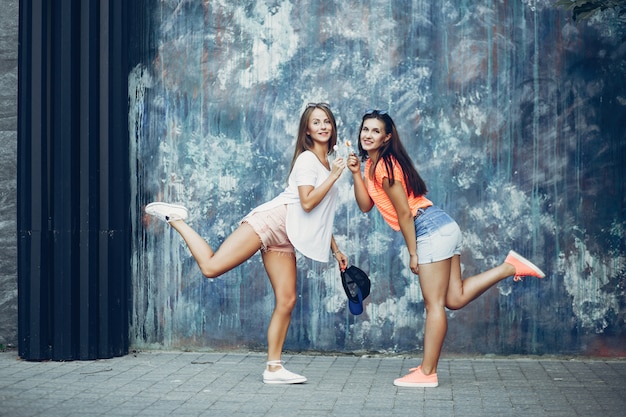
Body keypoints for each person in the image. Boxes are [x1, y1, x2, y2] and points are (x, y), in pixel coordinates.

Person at [145, 103, 349, 384]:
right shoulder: (307, 161)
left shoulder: (328, 162)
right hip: (271, 222)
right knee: (211, 268)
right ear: (307, 131)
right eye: (316, 122)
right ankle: (175, 219)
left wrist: (336, 249)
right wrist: (336, 175)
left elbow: (320, 214)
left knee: (287, 300)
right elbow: (307, 201)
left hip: (289, 236)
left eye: (327, 121)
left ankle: (274, 368)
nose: (323, 126)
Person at [346, 109, 545, 388]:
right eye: (365, 129)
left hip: (428, 228)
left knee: (434, 304)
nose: (368, 135)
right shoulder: (371, 165)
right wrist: (355, 173)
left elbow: (404, 213)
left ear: (387, 137)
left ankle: (427, 374)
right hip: (442, 225)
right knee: (455, 297)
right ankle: (509, 267)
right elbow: (367, 205)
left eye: (375, 131)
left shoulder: (386, 167)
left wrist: (414, 253)